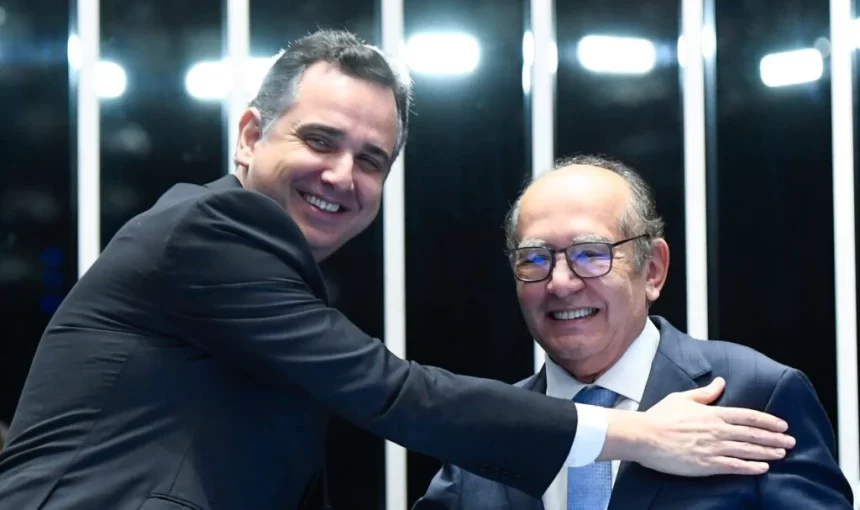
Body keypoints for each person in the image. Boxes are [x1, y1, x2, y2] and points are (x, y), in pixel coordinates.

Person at [0, 31, 794, 510]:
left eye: (372, 159)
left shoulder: (755, 394)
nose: (342, 174)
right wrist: (637, 435)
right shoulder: (215, 228)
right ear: (249, 135)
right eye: (320, 140)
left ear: (653, 268)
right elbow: (393, 393)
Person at [415, 155, 853, 509]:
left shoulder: (756, 395)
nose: (560, 283)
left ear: (653, 270)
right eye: (535, 259)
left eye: (591, 254)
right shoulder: (488, 428)